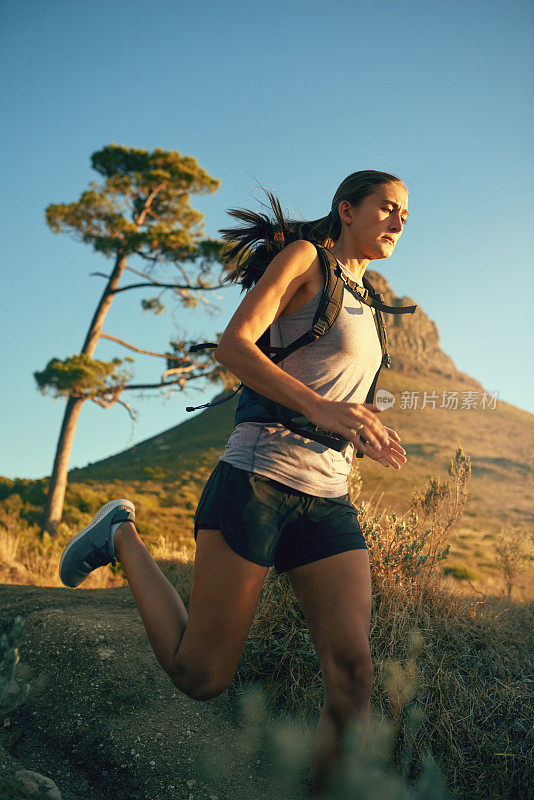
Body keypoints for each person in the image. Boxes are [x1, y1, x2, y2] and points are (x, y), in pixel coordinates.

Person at [59, 169, 409, 797]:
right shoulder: (307, 258)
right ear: (347, 210)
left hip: (329, 499)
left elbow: (325, 386)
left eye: (405, 215)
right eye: (386, 208)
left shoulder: (368, 296)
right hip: (259, 480)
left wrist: (360, 426)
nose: (397, 221)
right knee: (201, 676)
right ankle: (121, 536)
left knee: (353, 677)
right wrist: (324, 409)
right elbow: (235, 346)